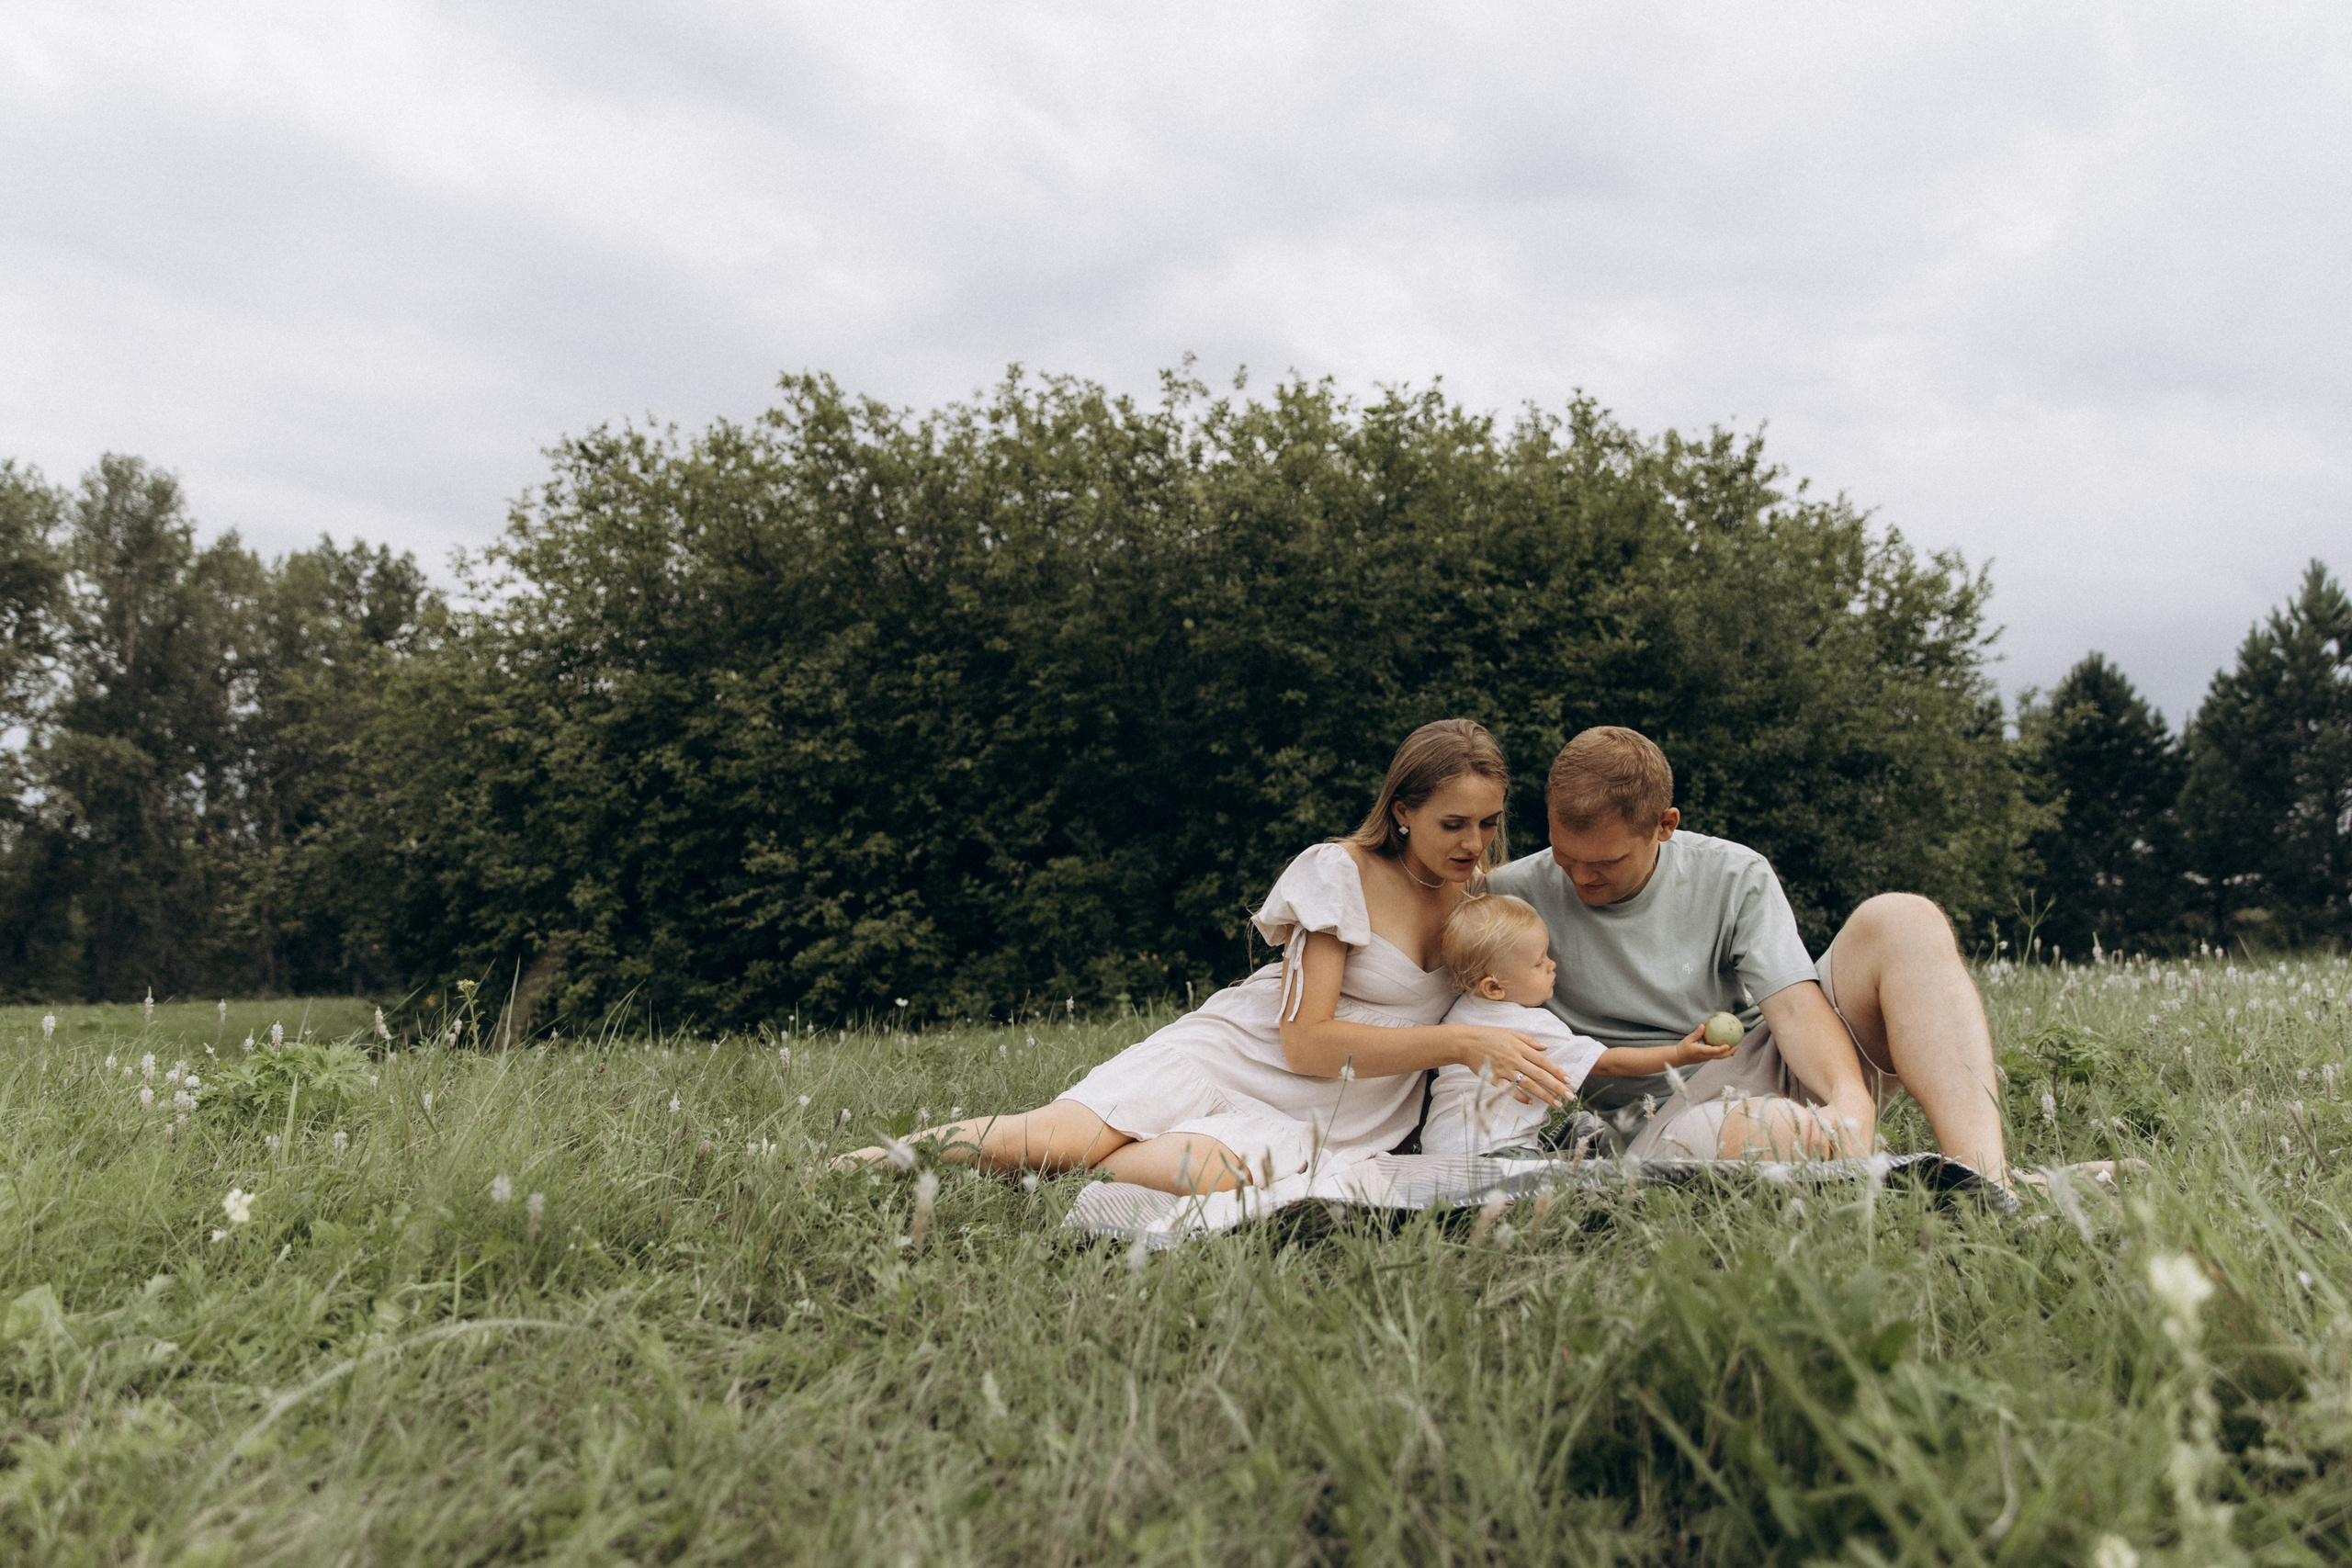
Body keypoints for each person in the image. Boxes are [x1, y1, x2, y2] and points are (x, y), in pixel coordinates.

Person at [841, 720, 1576, 1193]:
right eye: (1453, 823)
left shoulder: (1479, 903)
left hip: (1343, 1115)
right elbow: (1306, 1039)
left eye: (1488, 822)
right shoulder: (1339, 871)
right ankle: (846, 1169)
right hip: (1249, 1055)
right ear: (1404, 809)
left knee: (1222, 1174)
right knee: (1053, 1135)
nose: (1473, 843)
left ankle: (1055, 1176)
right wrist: (1460, 1040)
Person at [1488, 725, 2018, 1182]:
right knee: (1763, 1135)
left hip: (1769, 1060)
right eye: (1564, 856)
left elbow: (1792, 1004)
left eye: (1607, 861)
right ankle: (1857, 1162)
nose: (1581, 877)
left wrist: (1849, 1101)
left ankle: (1985, 1181)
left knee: (1905, 918)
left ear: (1665, 826)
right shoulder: (1505, 898)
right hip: (1661, 1122)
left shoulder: (1733, 873)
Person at [1419, 893, 1736, 1156]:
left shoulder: (1459, 1014)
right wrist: (1680, 1054)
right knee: (1588, 1146)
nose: (1552, 964)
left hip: (1440, 1148)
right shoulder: (1530, 1025)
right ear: (1494, 988)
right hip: (1496, 1151)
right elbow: (1610, 1065)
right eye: (1539, 961)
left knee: (1578, 1127)